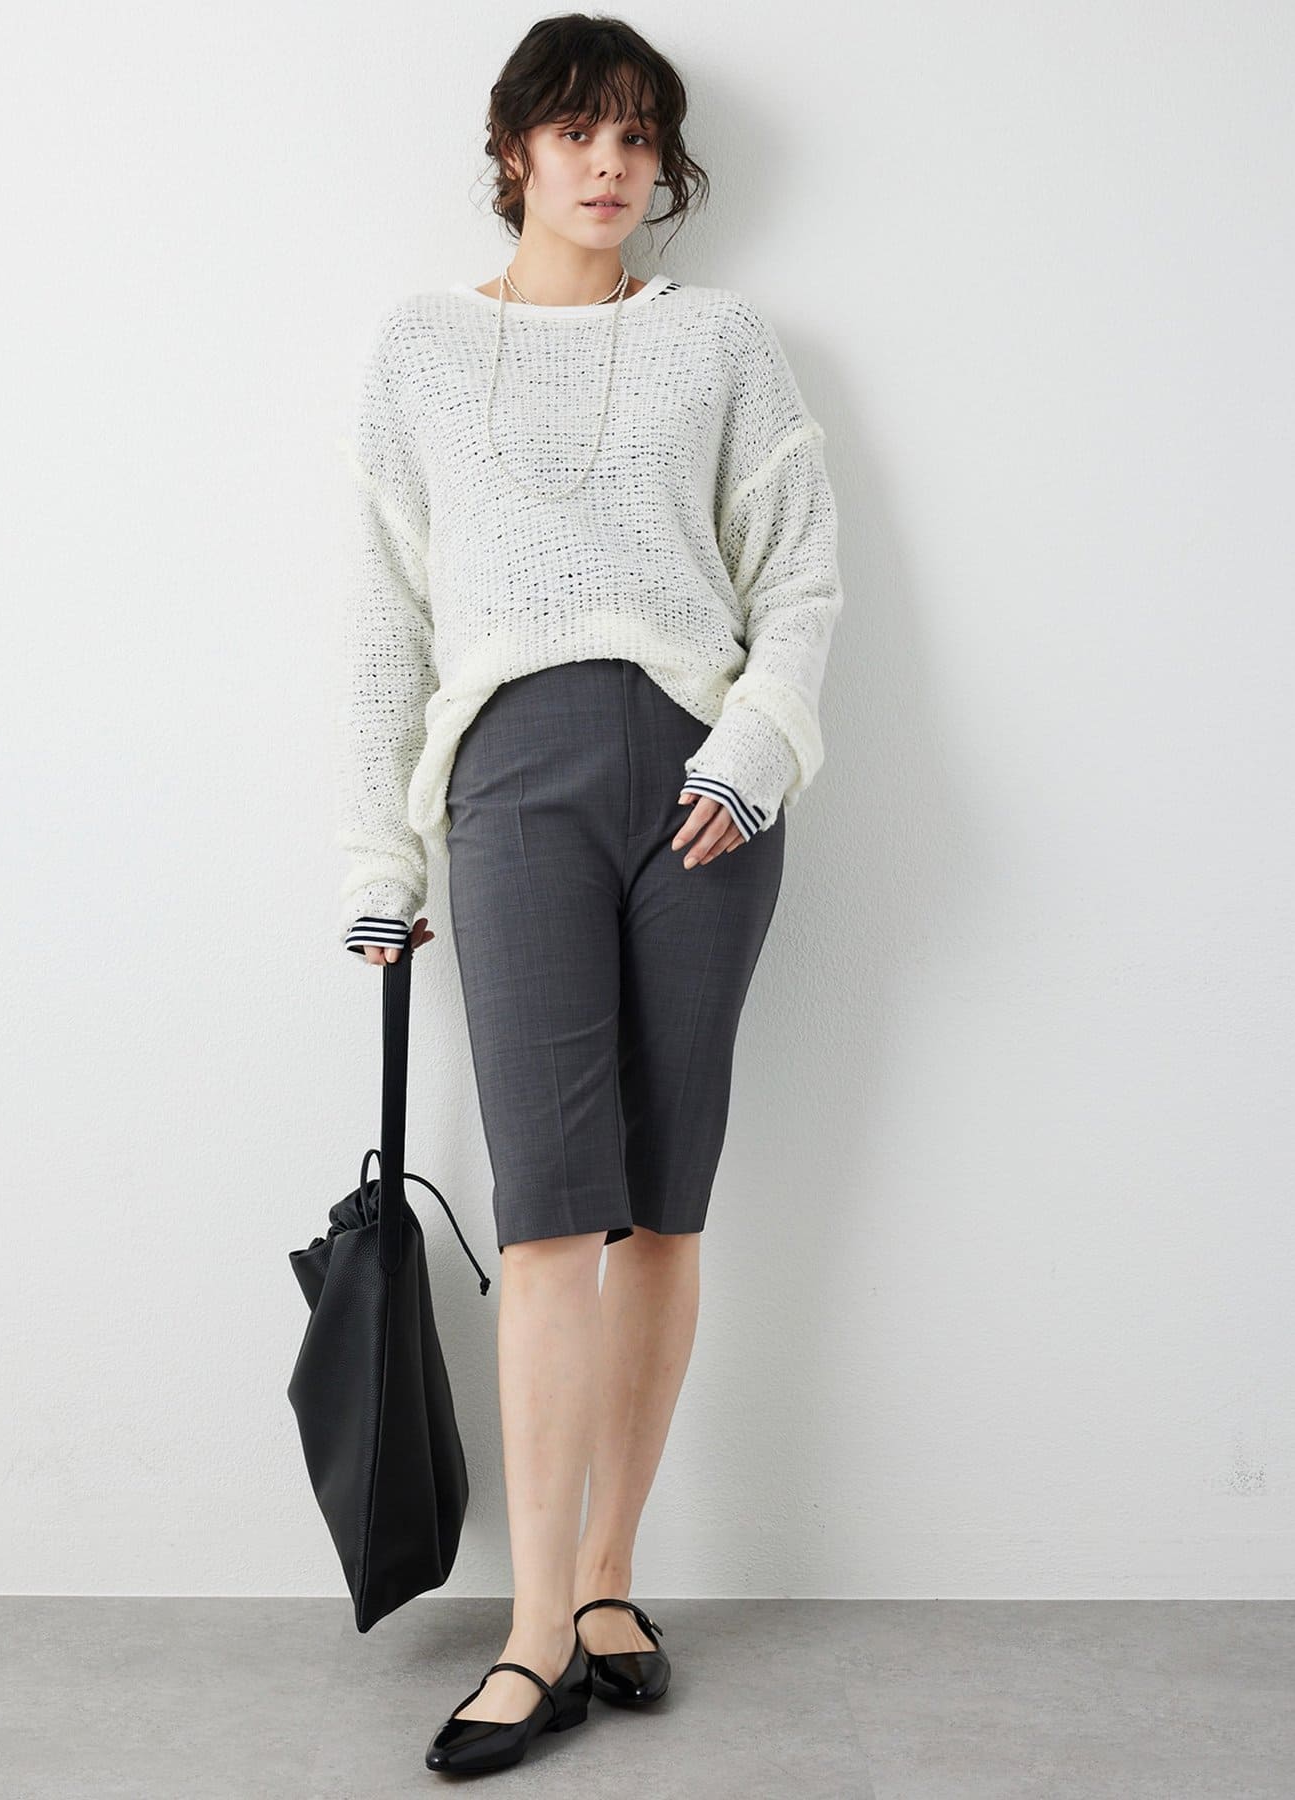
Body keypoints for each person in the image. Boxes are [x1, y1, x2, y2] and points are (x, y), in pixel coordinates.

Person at [331, 14, 846, 1776]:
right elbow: (384, 615)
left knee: (666, 1208)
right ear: (515, 151)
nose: (611, 166)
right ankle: (535, 1629)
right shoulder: (420, 349)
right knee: (552, 1213)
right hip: (514, 788)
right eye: (577, 134)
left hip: (705, 798)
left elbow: (799, 575)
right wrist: (378, 853)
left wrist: (756, 747)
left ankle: (613, 1580)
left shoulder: (720, 341)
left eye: (638, 138)